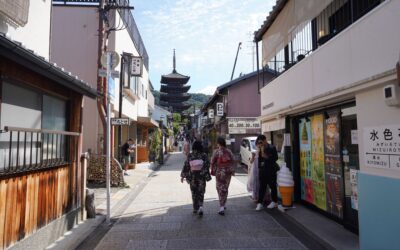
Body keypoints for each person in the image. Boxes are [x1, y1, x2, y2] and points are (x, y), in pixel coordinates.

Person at [181, 141, 211, 217]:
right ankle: (200, 206)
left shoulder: (190, 155)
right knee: (201, 191)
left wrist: (183, 176)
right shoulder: (204, 155)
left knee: (194, 192)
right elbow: (207, 164)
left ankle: (195, 208)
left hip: (193, 176)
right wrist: (203, 171)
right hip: (201, 176)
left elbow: (186, 165)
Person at [211, 136, 235, 215]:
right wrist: (232, 170)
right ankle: (223, 204)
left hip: (219, 172)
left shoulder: (216, 152)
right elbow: (233, 161)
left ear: (218, 143)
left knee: (219, 188)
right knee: (225, 188)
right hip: (227, 172)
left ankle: (221, 206)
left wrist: (213, 170)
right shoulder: (229, 151)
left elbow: (212, 162)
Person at [255, 135, 279, 210]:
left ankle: (274, 202)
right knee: (262, 187)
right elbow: (259, 160)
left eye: (261, 141)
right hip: (262, 171)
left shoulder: (272, 147)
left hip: (271, 170)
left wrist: (266, 156)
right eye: (259, 142)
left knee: (272, 186)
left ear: (265, 140)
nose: (261, 143)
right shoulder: (260, 149)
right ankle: (259, 203)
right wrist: (259, 168)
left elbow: (275, 158)